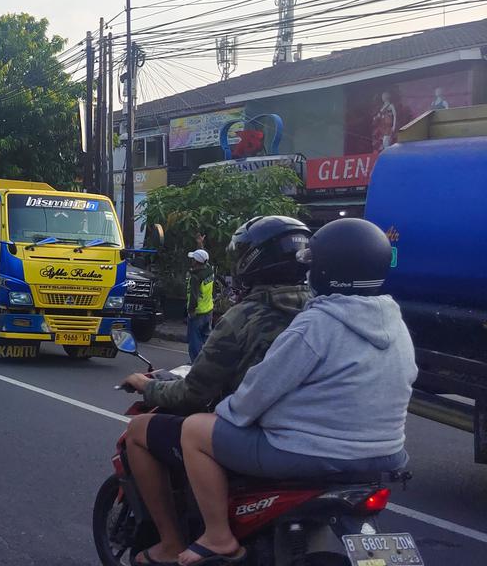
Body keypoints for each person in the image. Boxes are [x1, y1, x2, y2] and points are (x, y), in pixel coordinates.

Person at [167, 218, 417, 565]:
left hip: (313, 452)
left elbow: (261, 388)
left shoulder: (318, 323)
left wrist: (228, 412)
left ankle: (217, 536)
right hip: (388, 454)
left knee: (194, 430)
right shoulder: (395, 322)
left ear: (327, 271)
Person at [119, 215, 312, 566]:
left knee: (138, 432)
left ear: (254, 260)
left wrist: (149, 387)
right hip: (319, 435)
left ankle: (171, 542)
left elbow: (193, 393)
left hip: (262, 434)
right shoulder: (320, 310)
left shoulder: (245, 317)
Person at [184, 248, 215, 363]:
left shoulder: (195, 277)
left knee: (194, 341)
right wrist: (201, 244)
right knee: (206, 339)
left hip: (198, 312)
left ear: (196, 262)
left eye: (193, 259)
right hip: (209, 309)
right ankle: (206, 362)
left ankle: (195, 363)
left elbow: (193, 296)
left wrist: (191, 311)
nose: (191, 261)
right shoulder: (209, 270)